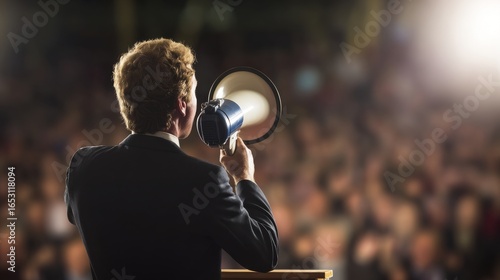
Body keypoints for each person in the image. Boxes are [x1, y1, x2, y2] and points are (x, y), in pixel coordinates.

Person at [64, 38, 278, 280]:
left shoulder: (83, 166)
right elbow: (264, 253)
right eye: (195, 92)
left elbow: (79, 216)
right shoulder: (204, 180)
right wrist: (244, 177)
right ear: (182, 105)